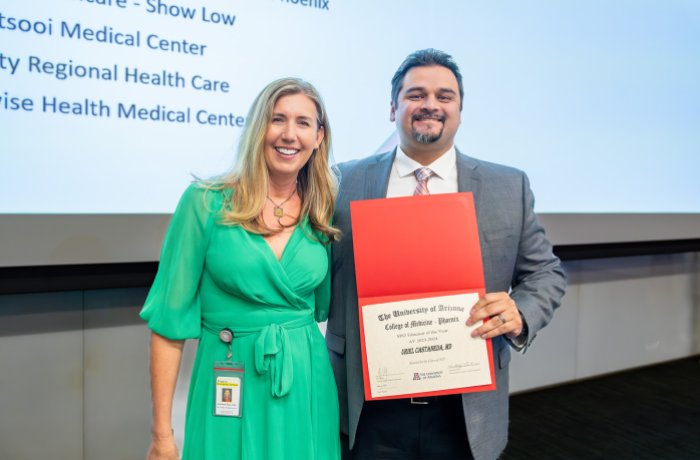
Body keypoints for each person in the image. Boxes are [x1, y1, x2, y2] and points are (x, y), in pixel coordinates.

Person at [325, 49, 567, 460]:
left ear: (459, 108)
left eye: (445, 95)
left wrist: (520, 311)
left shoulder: (507, 186)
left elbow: (546, 272)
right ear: (393, 108)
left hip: (464, 408)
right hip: (367, 404)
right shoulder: (342, 181)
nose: (431, 105)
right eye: (416, 94)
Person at [140, 77, 341, 460]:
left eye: (303, 122)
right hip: (229, 376)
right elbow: (168, 326)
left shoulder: (323, 209)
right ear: (256, 128)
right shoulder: (205, 203)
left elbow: (321, 308)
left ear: (319, 137)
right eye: (277, 119)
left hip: (306, 383)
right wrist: (162, 435)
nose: (289, 134)